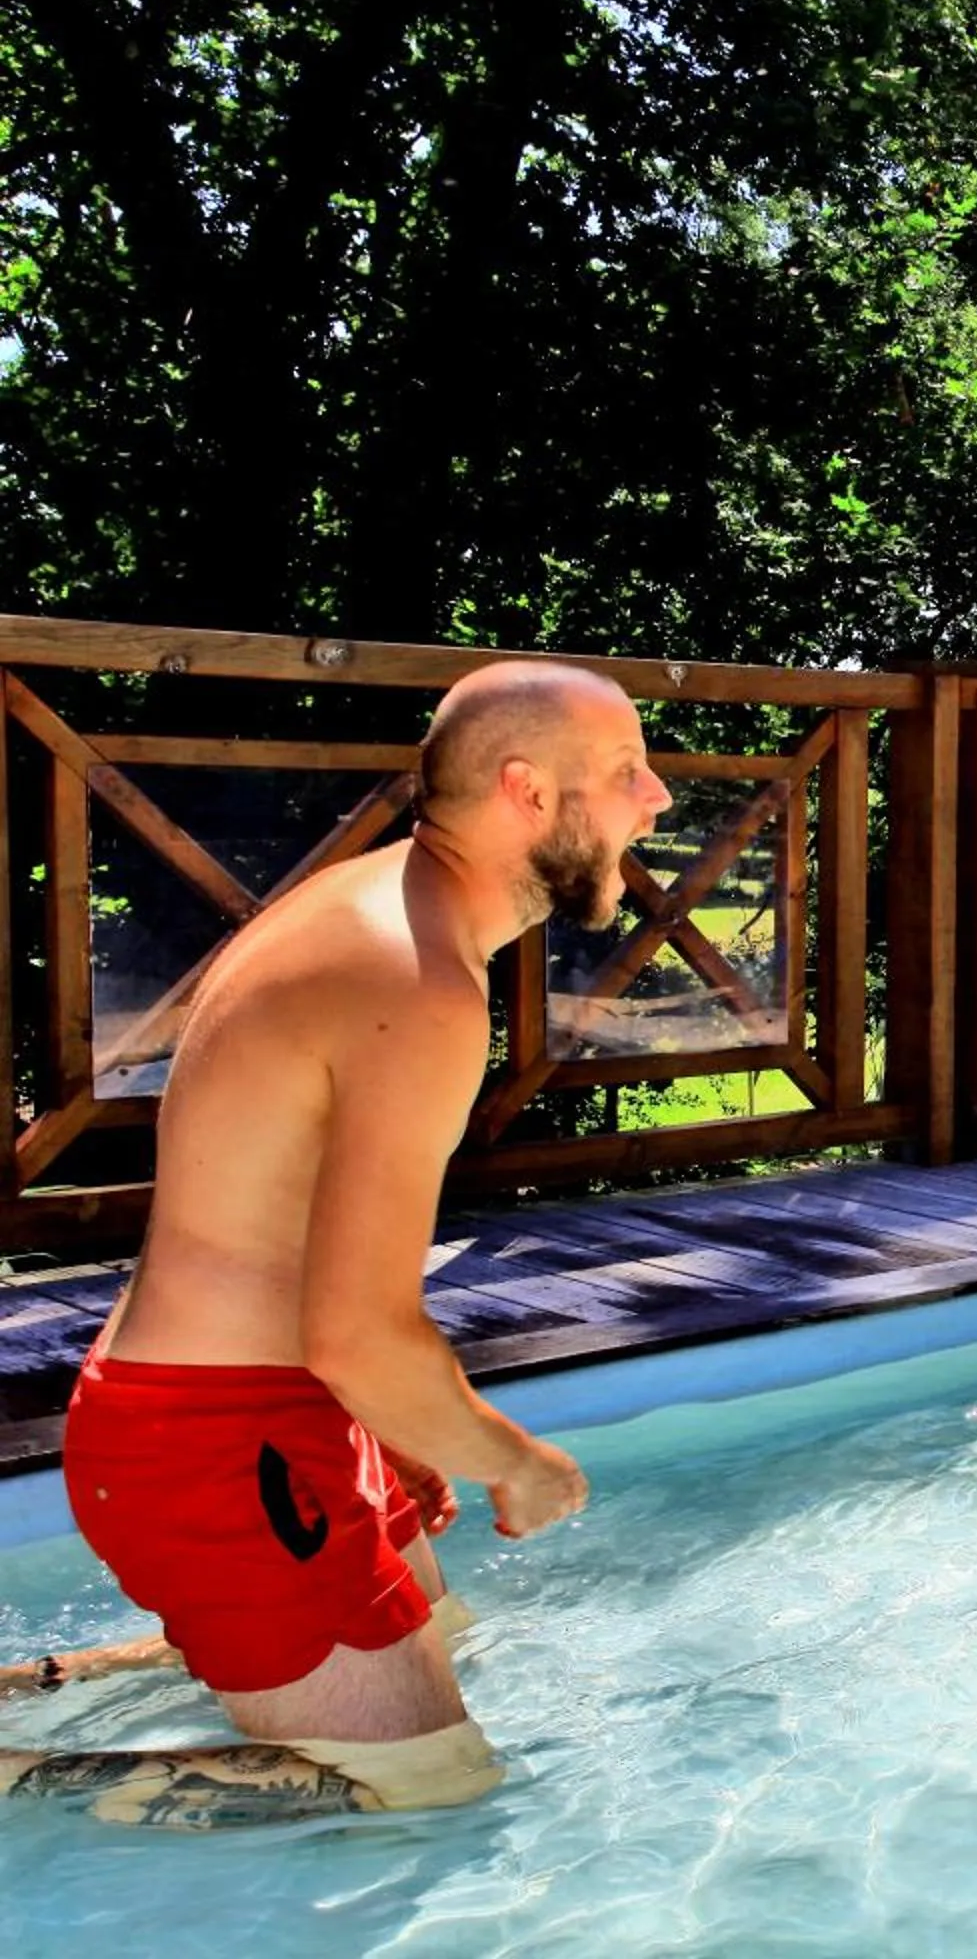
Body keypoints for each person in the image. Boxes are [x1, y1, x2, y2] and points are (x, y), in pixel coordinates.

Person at [0, 661, 670, 1827]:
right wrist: (512, 1458)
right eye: (623, 772)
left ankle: (41, 1689)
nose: (655, 798)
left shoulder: (379, 910)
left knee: (446, 1634)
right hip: (217, 1441)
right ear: (526, 790)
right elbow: (358, 1328)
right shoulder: (413, 981)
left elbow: (298, 1253)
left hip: (245, 1406)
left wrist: (388, 1431)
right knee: (426, 1788)